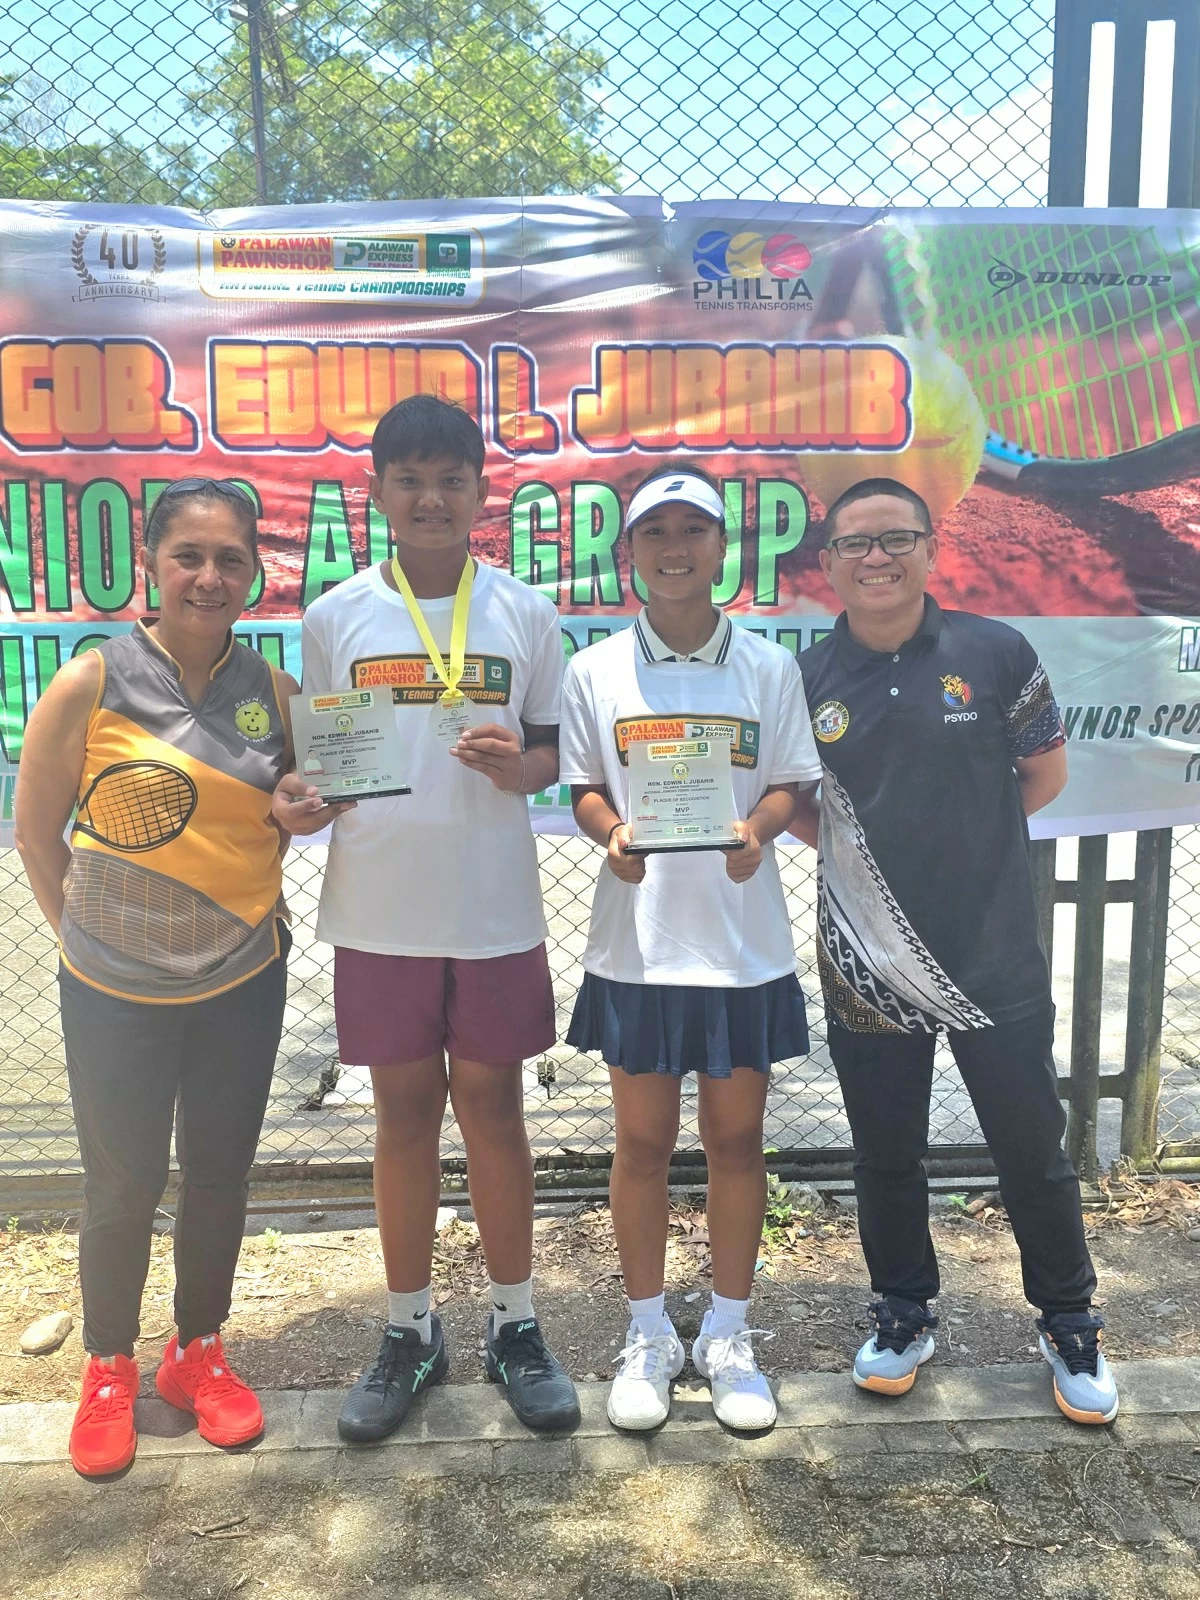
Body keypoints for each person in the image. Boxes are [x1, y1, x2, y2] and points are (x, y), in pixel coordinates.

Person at [272, 394, 579, 1440]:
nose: (432, 496)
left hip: (492, 909)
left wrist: (523, 770)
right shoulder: (335, 616)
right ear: (379, 494)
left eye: (452, 477)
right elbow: (319, 765)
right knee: (402, 1119)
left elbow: (553, 754)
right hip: (381, 912)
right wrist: (312, 797)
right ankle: (409, 1328)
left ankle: (514, 1323)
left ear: (482, 490)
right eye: (410, 478)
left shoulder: (526, 613)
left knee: (495, 1112)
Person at [792, 476, 1118, 1424]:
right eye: (856, 544)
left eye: (897, 538)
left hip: (993, 951)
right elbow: (799, 806)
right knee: (885, 1153)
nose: (877, 558)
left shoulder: (996, 652)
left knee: (1031, 1151)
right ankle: (903, 1312)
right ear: (829, 568)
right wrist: (876, 869)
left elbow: (1044, 774)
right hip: (868, 959)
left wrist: (963, 844)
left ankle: (1070, 1321)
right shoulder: (805, 679)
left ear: (933, 550)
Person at [15, 479, 297, 1476]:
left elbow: (297, 799)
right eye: (190, 556)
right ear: (151, 562)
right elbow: (35, 832)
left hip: (242, 980)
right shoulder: (89, 683)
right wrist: (88, 942)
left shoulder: (274, 690)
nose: (210, 576)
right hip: (112, 992)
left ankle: (197, 1353)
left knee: (219, 1176)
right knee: (121, 1184)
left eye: (230, 559)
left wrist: (304, 806)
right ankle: (107, 1369)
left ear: (255, 569)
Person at [559, 463, 821, 1433]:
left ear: (722, 547)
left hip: (741, 949)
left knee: (737, 1142)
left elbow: (788, 780)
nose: (676, 548)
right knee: (639, 1144)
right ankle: (646, 1332)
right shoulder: (594, 671)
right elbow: (582, 786)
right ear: (630, 553)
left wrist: (760, 831)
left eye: (694, 529)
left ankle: (728, 1331)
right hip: (637, 948)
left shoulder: (768, 666)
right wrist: (609, 834)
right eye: (654, 532)